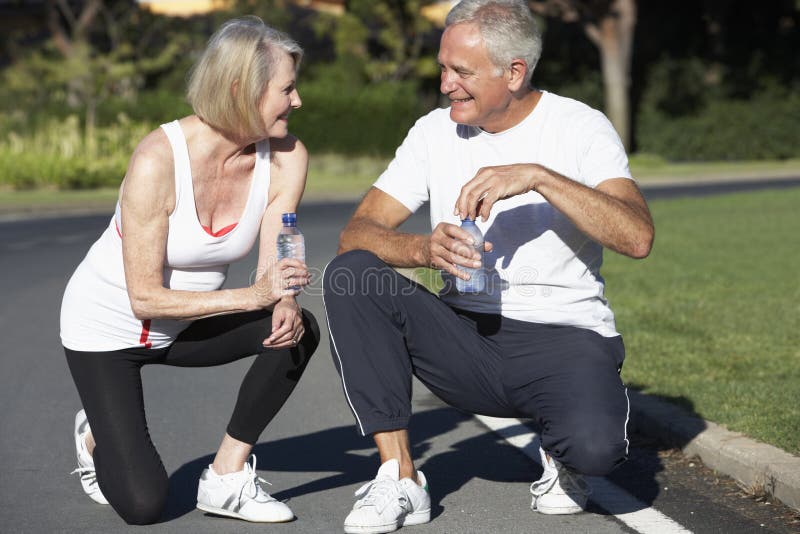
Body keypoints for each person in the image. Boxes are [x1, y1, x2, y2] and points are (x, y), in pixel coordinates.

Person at [322, 0, 655, 532]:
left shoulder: (579, 127)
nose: (445, 83)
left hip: (564, 335)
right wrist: (423, 250)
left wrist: (539, 177)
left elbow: (637, 236)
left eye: (462, 72)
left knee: (595, 450)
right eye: (443, 67)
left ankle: (562, 451)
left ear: (515, 73)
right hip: (465, 338)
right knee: (350, 273)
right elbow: (355, 234)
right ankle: (399, 475)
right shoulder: (434, 132)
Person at [60, 16, 320, 525]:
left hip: (183, 328)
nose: (298, 101)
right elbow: (146, 300)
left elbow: (279, 247)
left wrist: (283, 296)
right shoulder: (159, 160)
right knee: (144, 504)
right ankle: (95, 436)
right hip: (107, 333)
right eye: (287, 89)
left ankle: (226, 477)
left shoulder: (287, 158)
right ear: (240, 88)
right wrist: (254, 296)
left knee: (295, 331)